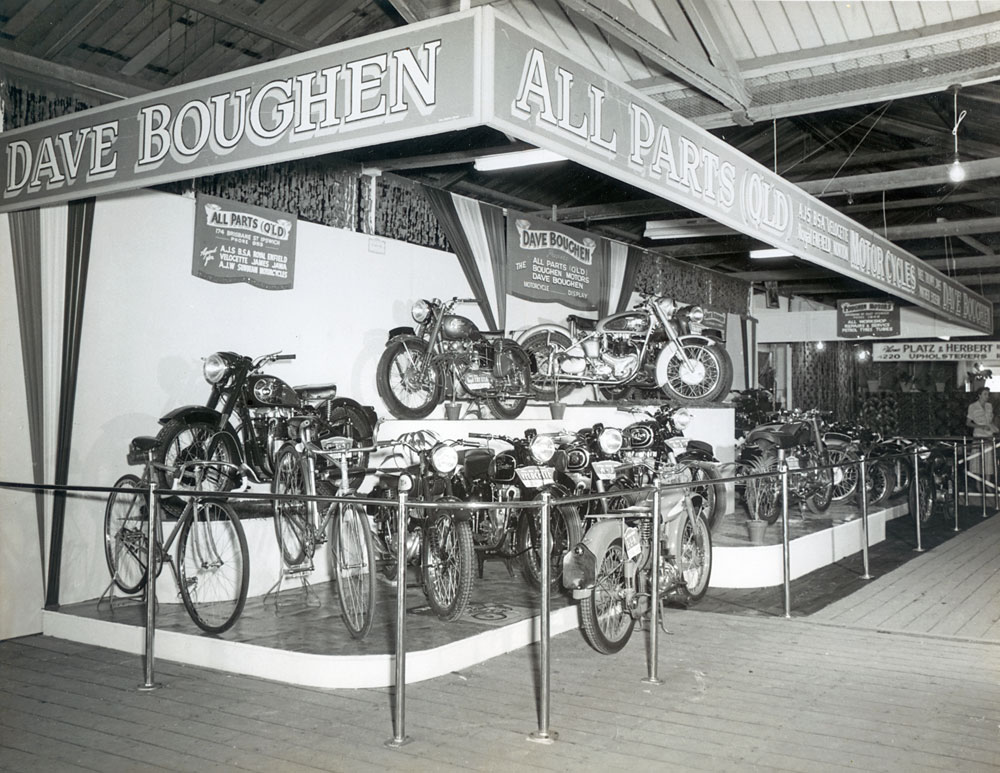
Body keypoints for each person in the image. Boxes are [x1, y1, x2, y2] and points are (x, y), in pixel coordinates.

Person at [966, 387, 997, 489]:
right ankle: (978, 485)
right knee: (978, 461)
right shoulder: (973, 407)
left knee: (989, 462)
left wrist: (994, 428)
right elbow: (968, 423)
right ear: (979, 395)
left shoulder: (989, 406)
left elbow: (990, 421)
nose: (987, 396)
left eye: (988, 394)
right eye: (985, 394)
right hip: (979, 436)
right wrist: (980, 426)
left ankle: (987, 484)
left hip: (989, 436)